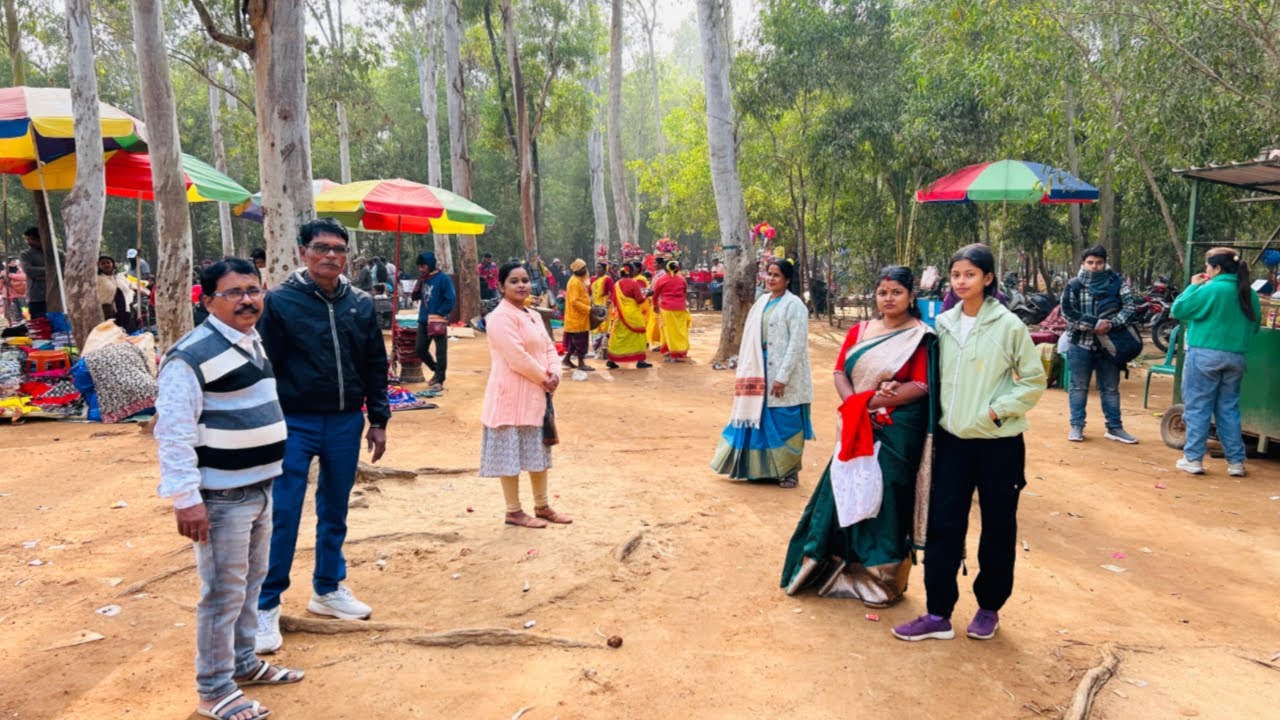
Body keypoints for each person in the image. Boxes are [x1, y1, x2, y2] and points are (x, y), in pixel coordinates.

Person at [156, 258, 303, 720]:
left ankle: (243, 662)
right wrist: (186, 499)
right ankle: (214, 689)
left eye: (253, 290)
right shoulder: (190, 356)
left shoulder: (251, 341)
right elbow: (173, 432)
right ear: (207, 301)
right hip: (220, 497)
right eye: (234, 292)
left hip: (260, 487)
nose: (246, 300)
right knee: (221, 592)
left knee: (249, 584)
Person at [892, 243, 1045, 643]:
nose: (962, 281)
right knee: (944, 526)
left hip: (999, 443)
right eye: (956, 274)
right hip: (951, 443)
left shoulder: (1008, 325)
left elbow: (1032, 380)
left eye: (970, 275)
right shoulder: (941, 325)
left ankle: (989, 608)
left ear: (988, 279)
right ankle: (938, 613)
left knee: (997, 527)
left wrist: (996, 412)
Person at [255, 218, 390, 654]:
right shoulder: (278, 303)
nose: (331, 255)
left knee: (335, 508)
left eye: (339, 248)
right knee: (284, 513)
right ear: (302, 253)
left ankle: (328, 588)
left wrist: (380, 419)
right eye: (321, 247)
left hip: (346, 421)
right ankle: (265, 604)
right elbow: (264, 367)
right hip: (293, 422)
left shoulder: (361, 303)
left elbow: (373, 363)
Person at [782, 266, 935, 606]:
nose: (888, 298)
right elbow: (839, 371)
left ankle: (880, 580)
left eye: (896, 292)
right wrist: (857, 404)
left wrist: (871, 403)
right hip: (854, 425)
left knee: (886, 501)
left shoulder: (920, 336)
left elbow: (921, 385)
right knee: (842, 492)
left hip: (894, 430)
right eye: (883, 292)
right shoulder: (860, 331)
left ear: (911, 296)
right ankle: (824, 569)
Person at [480, 261, 572, 528]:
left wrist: (556, 374)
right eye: (514, 281)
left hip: (535, 396)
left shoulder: (531, 314)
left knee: (537, 452)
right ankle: (513, 510)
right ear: (501, 286)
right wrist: (546, 378)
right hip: (509, 396)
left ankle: (542, 506)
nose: (521, 285)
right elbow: (516, 358)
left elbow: (549, 348)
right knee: (509, 455)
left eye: (524, 280)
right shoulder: (499, 317)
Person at [711, 258, 813, 488]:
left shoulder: (794, 305)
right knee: (757, 417)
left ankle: (789, 471)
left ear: (787, 279)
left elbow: (796, 344)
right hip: (758, 367)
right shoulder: (761, 302)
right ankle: (761, 470)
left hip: (783, 370)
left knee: (784, 419)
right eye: (769, 274)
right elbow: (749, 337)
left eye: (777, 275)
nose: (771, 279)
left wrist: (782, 376)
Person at [1171, 247, 1261, 477]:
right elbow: (1255, 325)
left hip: (1204, 356)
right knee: (1228, 409)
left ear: (1217, 268)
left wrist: (1193, 285)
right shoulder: (1248, 292)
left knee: (1198, 407)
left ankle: (1193, 459)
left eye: (1208, 267)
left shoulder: (1211, 288)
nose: (1206, 271)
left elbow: (1179, 309)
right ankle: (1236, 463)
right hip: (1236, 357)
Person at [1060, 245, 1139, 444]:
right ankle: (1076, 426)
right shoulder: (1074, 285)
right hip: (1080, 344)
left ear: (1104, 264)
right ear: (1083, 264)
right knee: (1078, 387)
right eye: (1090, 263)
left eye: (1099, 263)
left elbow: (1130, 307)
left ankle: (1115, 428)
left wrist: (1112, 324)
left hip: (1111, 346)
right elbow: (1068, 313)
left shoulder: (1116, 283)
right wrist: (1094, 324)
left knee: (1111, 388)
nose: (1095, 267)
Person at [411, 251, 456, 390]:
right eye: (419, 266)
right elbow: (416, 296)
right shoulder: (423, 279)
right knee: (420, 349)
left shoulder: (443, 279)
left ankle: (440, 380)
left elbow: (451, 298)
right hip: (424, 319)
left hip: (438, 320)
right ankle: (437, 370)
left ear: (430, 265)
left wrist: (441, 313)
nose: (421, 269)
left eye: (423, 266)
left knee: (440, 351)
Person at [606, 262, 653, 370]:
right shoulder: (633, 283)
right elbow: (640, 300)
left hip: (619, 315)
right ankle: (640, 360)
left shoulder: (616, 284)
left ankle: (611, 360)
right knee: (639, 336)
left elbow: (613, 300)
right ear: (631, 272)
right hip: (633, 315)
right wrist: (647, 294)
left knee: (618, 337)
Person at [652, 260, 691, 361]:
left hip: (667, 309)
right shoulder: (682, 279)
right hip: (681, 308)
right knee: (680, 330)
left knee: (669, 331)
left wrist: (655, 306)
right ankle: (679, 350)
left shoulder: (661, 279)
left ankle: (673, 354)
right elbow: (685, 293)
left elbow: (655, 295)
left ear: (666, 269)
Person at [562, 258, 594, 371]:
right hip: (577, 319)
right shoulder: (574, 282)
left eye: (585, 267)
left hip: (578, 318)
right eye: (582, 268)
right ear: (577, 270)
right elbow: (574, 302)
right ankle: (581, 364)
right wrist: (589, 309)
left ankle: (566, 359)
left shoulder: (578, 280)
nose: (585, 270)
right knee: (580, 342)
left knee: (574, 343)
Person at [19, 227, 53, 319]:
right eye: (27, 239)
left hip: (55, 295)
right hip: (36, 296)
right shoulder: (25, 254)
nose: (29, 242)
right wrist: (51, 271)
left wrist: (41, 275)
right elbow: (29, 271)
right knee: (39, 324)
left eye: (32, 239)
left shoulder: (56, 253)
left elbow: (63, 269)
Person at [590, 262, 615, 357]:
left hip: (604, 307)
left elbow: (612, 292)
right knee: (594, 328)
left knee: (603, 327)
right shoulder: (592, 279)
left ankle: (603, 350)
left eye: (600, 268)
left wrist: (608, 303)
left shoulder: (607, 279)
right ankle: (597, 350)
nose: (597, 270)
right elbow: (589, 292)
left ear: (605, 270)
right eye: (596, 268)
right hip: (595, 306)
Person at [1, 259, 26, 324]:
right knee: (14, 315)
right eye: (11, 262)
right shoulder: (3, 272)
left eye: (13, 261)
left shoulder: (20, 270)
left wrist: (10, 275)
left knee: (25, 311)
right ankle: (14, 325)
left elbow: (24, 277)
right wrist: (2, 279)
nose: (13, 263)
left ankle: (27, 323)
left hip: (20, 295)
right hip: (9, 296)